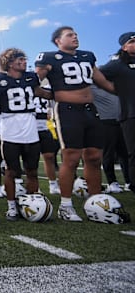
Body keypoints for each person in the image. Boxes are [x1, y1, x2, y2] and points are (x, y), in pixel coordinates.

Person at [35, 26, 115, 221]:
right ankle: (66, 205)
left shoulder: (87, 56)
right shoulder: (50, 58)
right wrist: (49, 94)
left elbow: (103, 82)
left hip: (90, 110)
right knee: (71, 157)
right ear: (57, 41)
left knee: (95, 157)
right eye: (70, 35)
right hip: (67, 111)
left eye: (76, 34)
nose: (75, 37)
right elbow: (33, 82)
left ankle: (95, 203)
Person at [0, 48, 50, 220]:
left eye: (24, 59)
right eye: (19, 60)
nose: (23, 62)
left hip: (30, 126)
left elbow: (41, 92)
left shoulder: (30, 78)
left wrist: (61, 94)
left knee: (32, 170)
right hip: (10, 127)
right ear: (9, 63)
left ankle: (31, 202)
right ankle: (12, 206)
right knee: (12, 171)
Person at [100, 31, 135, 194]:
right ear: (124, 46)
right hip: (130, 114)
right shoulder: (117, 64)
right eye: (133, 41)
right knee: (131, 153)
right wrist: (113, 89)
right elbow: (97, 75)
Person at [91, 84, 127, 193]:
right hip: (105, 122)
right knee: (108, 153)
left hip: (121, 121)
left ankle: (129, 180)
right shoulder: (91, 86)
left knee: (125, 153)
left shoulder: (113, 84)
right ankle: (112, 182)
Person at [33, 84, 61, 195]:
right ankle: (35, 186)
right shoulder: (27, 85)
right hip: (30, 126)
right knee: (32, 159)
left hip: (44, 126)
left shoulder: (48, 87)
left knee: (49, 156)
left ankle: (53, 185)